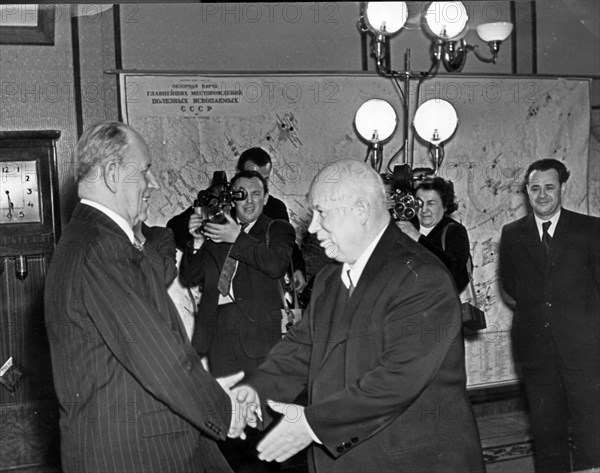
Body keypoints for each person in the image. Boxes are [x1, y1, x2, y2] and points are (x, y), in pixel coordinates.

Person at [233, 159, 485, 473]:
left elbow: (397, 380)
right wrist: (256, 392)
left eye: (322, 213)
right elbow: (301, 349)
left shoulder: (422, 277)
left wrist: (311, 426)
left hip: (406, 460)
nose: (311, 228)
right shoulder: (329, 279)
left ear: (361, 209)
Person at [44, 121, 246, 473]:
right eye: (145, 172)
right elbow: (154, 352)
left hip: (154, 441)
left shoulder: (95, 239)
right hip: (137, 454)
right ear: (111, 174)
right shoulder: (101, 247)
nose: (153, 184)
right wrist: (223, 411)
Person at [178, 169, 295, 472]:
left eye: (257, 194)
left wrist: (238, 238)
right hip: (220, 342)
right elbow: (190, 276)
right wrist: (195, 241)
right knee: (231, 430)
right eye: (242, 194)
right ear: (232, 197)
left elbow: (275, 264)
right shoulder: (219, 229)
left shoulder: (277, 228)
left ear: (266, 198)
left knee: (263, 429)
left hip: (259, 342)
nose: (250, 201)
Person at [499, 158, 600, 473]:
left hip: (584, 348)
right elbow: (510, 286)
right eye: (535, 188)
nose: (542, 195)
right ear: (527, 191)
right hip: (534, 348)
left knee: (590, 423)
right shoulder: (513, 234)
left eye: (549, 187)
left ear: (562, 188)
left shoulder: (591, 229)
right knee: (545, 427)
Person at [167, 147, 307, 291]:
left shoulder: (275, 207)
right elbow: (175, 228)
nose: (256, 182)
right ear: (239, 174)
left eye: (264, 179)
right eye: (251, 175)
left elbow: (285, 244)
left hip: (257, 288)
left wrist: (297, 268)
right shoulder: (219, 200)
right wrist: (202, 241)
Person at [395, 176, 470, 293]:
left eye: (431, 203)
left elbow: (452, 268)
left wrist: (417, 238)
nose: (424, 210)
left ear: (445, 206)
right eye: (419, 203)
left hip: (439, 303)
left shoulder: (455, 231)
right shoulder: (406, 226)